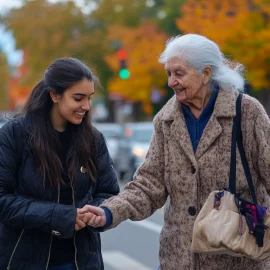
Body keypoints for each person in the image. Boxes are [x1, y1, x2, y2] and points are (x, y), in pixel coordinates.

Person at [79, 34, 270, 269]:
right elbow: (149, 184)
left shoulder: (247, 113)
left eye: (179, 73)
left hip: (239, 259)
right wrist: (108, 212)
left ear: (206, 73)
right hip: (179, 259)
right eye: (168, 73)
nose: (171, 82)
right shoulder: (166, 121)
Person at [0, 57, 119, 270]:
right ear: (54, 95)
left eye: (89, 98)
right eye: (78, 98)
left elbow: (108, 192)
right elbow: (3, 200)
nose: (86, 106)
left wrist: (96, 213)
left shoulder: (93, 139)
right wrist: (61, 216)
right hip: (23, 260)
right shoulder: (14, 135)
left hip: (82, 262)